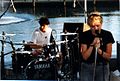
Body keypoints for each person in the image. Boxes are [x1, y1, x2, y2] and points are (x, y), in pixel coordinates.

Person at [80, 11, 115, 81]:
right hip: (87, 66)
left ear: (101, 24)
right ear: (89, 25)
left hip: (102, 66)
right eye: (93, 26)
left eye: (97, 26)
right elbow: (85, 57)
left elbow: (108, 56)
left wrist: (98, 50)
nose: (95, 28)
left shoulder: (107, 35)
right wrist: (92, 45)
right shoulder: (84, 35)